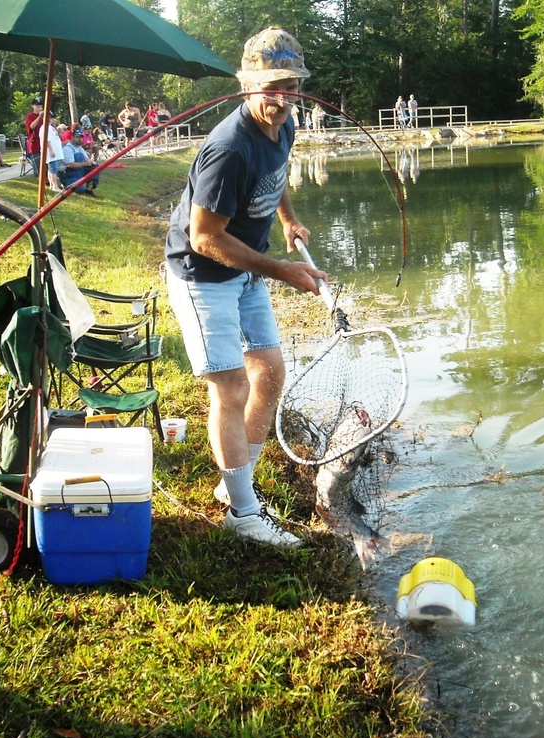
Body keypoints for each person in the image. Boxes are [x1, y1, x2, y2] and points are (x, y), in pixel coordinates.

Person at [163, 27, 326, 548]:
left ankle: (235, 483)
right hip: (204, 273)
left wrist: (289, 218)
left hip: (247, 268)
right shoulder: (227, 149)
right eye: (271, 86)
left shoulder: (284, 124)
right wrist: (283, 270)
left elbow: (274, 178)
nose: (282, 98)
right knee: (231, 387)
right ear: (247, 85)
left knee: (270, 373)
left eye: (292, 85)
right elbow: (205, 238)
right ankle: (243, 513)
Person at [60, 127, 99, 195]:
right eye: (77, 137)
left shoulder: (80, 148)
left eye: (81, 137)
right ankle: (66, 185)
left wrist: (90, 162)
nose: (80, 139)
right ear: (72, 137)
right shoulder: (67, 149)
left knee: (95, 167)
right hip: (69, 176)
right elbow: (70, 165)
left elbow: (87, 159)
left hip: (79, 172)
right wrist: (85, 164)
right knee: (81, 190)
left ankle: (89, 186)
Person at [42, 112, 65, 192]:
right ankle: (55, 186)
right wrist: (51, 150)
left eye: (51, 118)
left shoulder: (50, 127)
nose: (50, 119)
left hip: (56, 153)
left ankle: (52, 185)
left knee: (51, 169)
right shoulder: (44, 128)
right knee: (53, 169)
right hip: (51, 153)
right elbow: (47, 140)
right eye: (48, 117)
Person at [24, 96, 45, 175]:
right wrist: (39, 117)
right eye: (37, 105)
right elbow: (32, 126)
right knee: (37, 166)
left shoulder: (45, 115)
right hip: (34, 143)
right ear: (33, 106)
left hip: (43, 142)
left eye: (40, 105)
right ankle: (38, 175)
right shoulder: (30, 116)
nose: (39, 107)